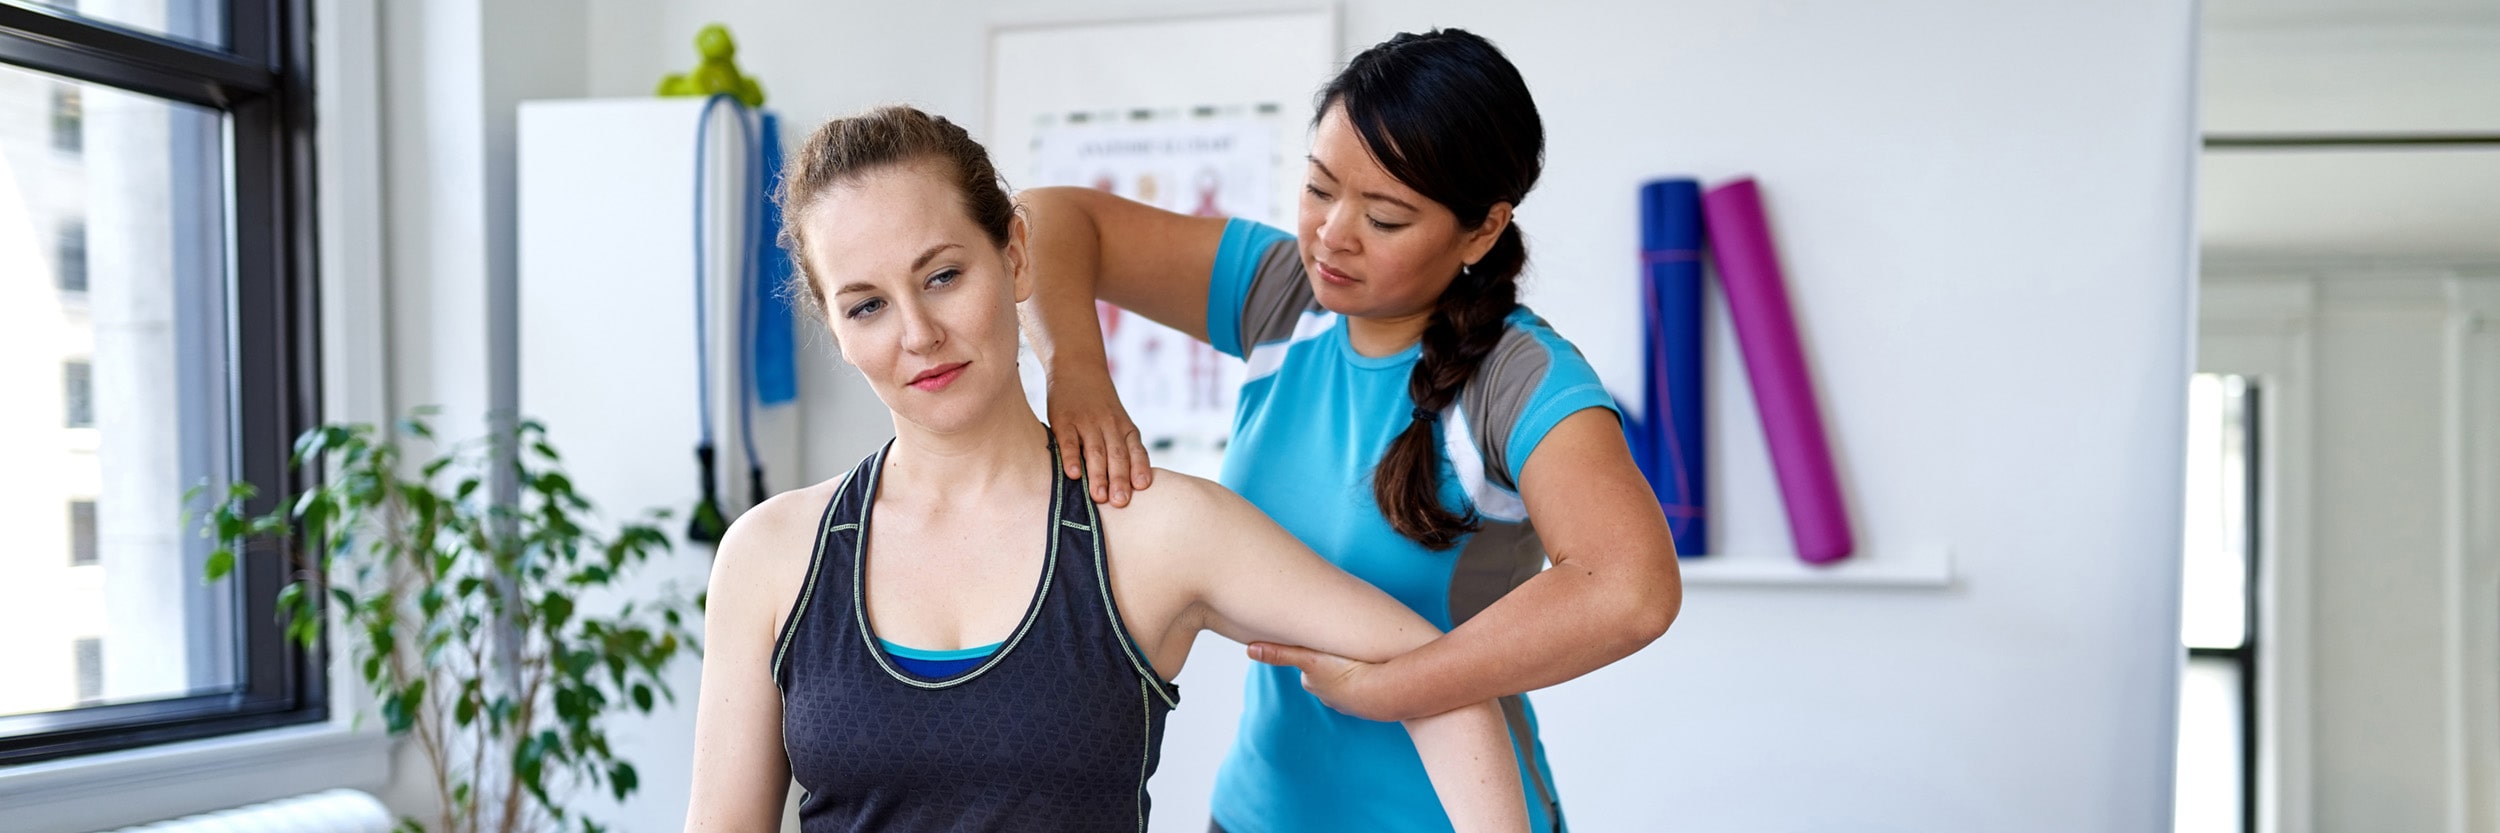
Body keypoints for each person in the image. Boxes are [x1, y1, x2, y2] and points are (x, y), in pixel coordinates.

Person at [682, 105, 1528, 833]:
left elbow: (1441, 677)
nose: (916, 333)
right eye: (866, 304)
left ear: (1014, 255)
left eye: (942, 276)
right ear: (833, 327)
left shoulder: (1152, 528)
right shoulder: (770, 555)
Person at [1015, 28, 1684, 833]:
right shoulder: (1282, 297)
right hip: (1257, 812)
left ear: (1481, 230)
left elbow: (1631, 588)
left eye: (1387, 218)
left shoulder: (1520, 378)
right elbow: (1045, 220)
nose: (1333, 234)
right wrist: (1076, 369)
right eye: (1319, 188)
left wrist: (1390, 688)